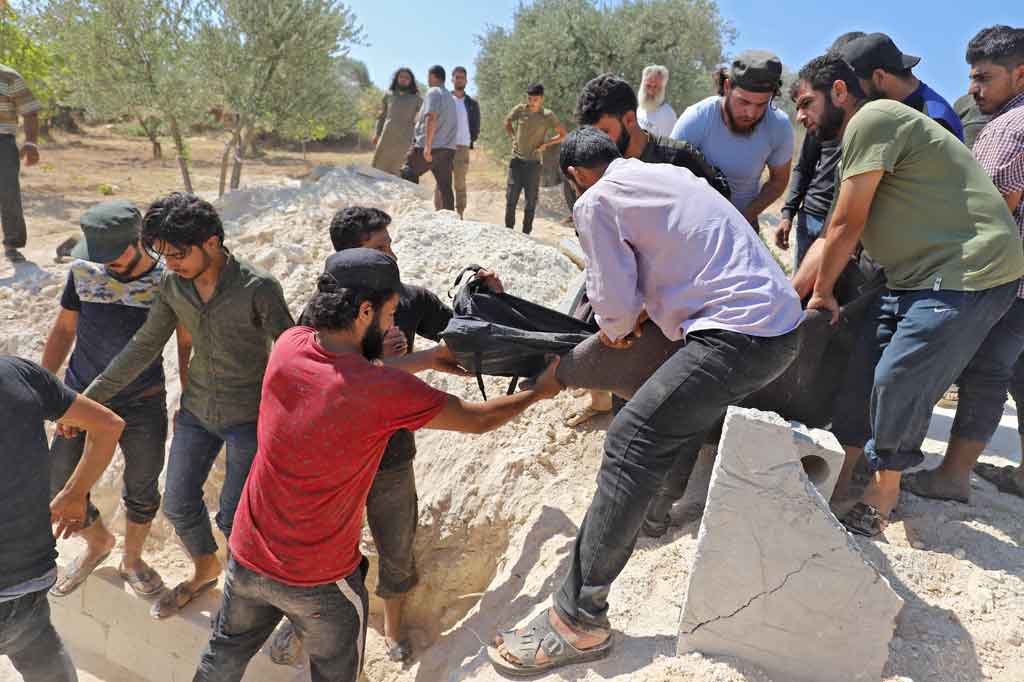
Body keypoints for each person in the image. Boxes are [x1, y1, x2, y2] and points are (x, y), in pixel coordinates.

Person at [489, 127, 803, 676]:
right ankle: (650, 520)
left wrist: (614, 331)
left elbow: (612, 308)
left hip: (737, 335)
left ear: (575, 176)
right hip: (780, 324)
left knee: (631, 440)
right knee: (664, 420)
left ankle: (578, 620)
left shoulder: (596, 201)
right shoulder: (666, 176)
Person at [193, 248, 562, 682]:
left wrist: (425, 359)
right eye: (388, 314)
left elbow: (348, 366)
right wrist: (540, 390)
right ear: (365, 311)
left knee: (221, 658)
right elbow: (477, 420)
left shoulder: (290, 345)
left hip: (247, 557)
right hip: (319, 580)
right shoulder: (383, 390)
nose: (391, 325)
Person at [792, 53, 1024, 536]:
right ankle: (845, 471)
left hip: (969, 272)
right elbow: (838, 229)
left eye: (806, 102)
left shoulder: (874, 118)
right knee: (866, 366)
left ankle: (883, 493)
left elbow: (845, 225)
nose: (800, 116)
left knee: (899, 375)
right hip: (911, 275)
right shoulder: (860, 140)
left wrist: (821, 293)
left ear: (840, 92)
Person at [268, 206, 502, 665]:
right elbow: (335, 378)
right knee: (318, 545)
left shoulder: (409, 301)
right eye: (378, 248)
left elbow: (459, 331)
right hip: (334, 458)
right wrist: (402, 363)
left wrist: (486, 297)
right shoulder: (318, 316)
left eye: (389, 244)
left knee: (396, 544)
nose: (391, 254)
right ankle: (297, 620)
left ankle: (393, 628)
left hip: (391, 455)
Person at [81, 192, 294, 620]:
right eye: (164, 254)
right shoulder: (172, 285)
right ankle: (206, 569)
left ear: (212, 242)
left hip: (250, 418)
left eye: (179, 254)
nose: (171, 263)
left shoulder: (258, 287)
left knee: (235, 519)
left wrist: (291, 420)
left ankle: (248, 602)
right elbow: (144, 345)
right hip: (196, 411)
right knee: (177, 503)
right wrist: (89, 399)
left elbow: (292, 352)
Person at [900, 25, 1024, 504]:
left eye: (984, 78)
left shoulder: (1009, 128)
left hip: (1005, 281)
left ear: (1019, 75)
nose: (973, 89)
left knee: (985, 371)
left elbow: (990, 211)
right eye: (972, 77)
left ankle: (952, 476)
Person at [42, 201, 191, 599]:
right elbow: (64, 330)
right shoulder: (83, 271)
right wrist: (43, 386)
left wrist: (190, 396)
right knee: (58, 479)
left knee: (142, 485)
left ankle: (132, 559)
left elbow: (186, 342)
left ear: (139, 240)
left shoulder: (168, 282)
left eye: (115, 253)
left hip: (143, 401)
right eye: (100, 254)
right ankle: (98, 542)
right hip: (81, 399)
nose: (106, 262)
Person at [564, 72, 731, 428]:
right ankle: (601, 401)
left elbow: (718, 215)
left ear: (629, 120)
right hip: (622, 276)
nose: (598, 142)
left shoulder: (678, 159)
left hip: (680, 284)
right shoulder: (589, 172)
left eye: (605, 131)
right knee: (590, 324)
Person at [0, 356, 124, 682]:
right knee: (42, 656)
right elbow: (109, 425)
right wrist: (75, 493)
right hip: (29, 583)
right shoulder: (18, 374)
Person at [670, 50, 793, 228]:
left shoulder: (779, 126)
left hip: (744, 222)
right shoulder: (698, 118)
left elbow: (778, 181)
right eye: (744, 102)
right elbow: (669, 174)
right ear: (727, 87)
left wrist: (743, 218)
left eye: (761, 105)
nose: (751, 113)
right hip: (693, 223)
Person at [776, 32, 866, 268]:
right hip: (812, 216)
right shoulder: (822, 116)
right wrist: (788, 213)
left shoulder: (871, 119)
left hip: (845, 225)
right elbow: (804, 166)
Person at [839, 32, 964, 141]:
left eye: (853, 85)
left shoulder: (933, 119)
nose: (850, 95)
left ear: (879, 77)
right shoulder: (901, 109)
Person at [503, 83, 567, 234]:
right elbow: (507, 121)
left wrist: (546, 144)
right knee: (511, 199)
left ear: (542, 99)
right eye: (530, 99)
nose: (532, 102)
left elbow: (562, 134)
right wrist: (513, 137)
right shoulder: (520, 109)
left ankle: (526, 234)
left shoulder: (547, 115)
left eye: (535, 99)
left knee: (530, 202)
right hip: (516, 161)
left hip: (533, 164)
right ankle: (508, 232)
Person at [401, 65, 458, 211]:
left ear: (433, 76)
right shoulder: (451, 98)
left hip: (431, 147)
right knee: (445, 186)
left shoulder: (433, 92)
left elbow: (431, 118)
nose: (427, 79)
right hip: (447, 149)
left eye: (428, 76)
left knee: (408, 172)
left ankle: (412, 210)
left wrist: (427, 146)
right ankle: (450, 218)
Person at [1, 62, 41, 263]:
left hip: (2, 143)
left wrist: (31, 143)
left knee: (8, 193)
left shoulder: (9, 77)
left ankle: (13, 244)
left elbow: (29, 112)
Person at [372, 67, 422, 177]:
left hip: (404, 141)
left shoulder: (417, 99)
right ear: (396, 78)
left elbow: (422, 120)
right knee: (378, 171)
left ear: (411, 81)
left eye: (407, 78)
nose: (404, 79)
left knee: (397, 173)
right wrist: (376, 133)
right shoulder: (388, 95)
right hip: (386, 138)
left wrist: (416, 141)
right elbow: (381, 117)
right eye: (401, 77)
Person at [446, 66, 480, 219]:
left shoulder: (472, 103)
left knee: (459, 183)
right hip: (445, 146)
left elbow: (476, 125)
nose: (459, 80)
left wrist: (471, 139)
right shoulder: (445, 99)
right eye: (457, 77)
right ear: (452, 79)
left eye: (462, 77)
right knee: (443, 182)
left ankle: (460, 213)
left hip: (462, 147)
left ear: (466, 81)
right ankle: (441, 212)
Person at [635, 65, 676, 137]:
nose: (651, 91)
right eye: (648, 86)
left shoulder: (667, 115)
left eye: (656, 87)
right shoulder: (641, 106)